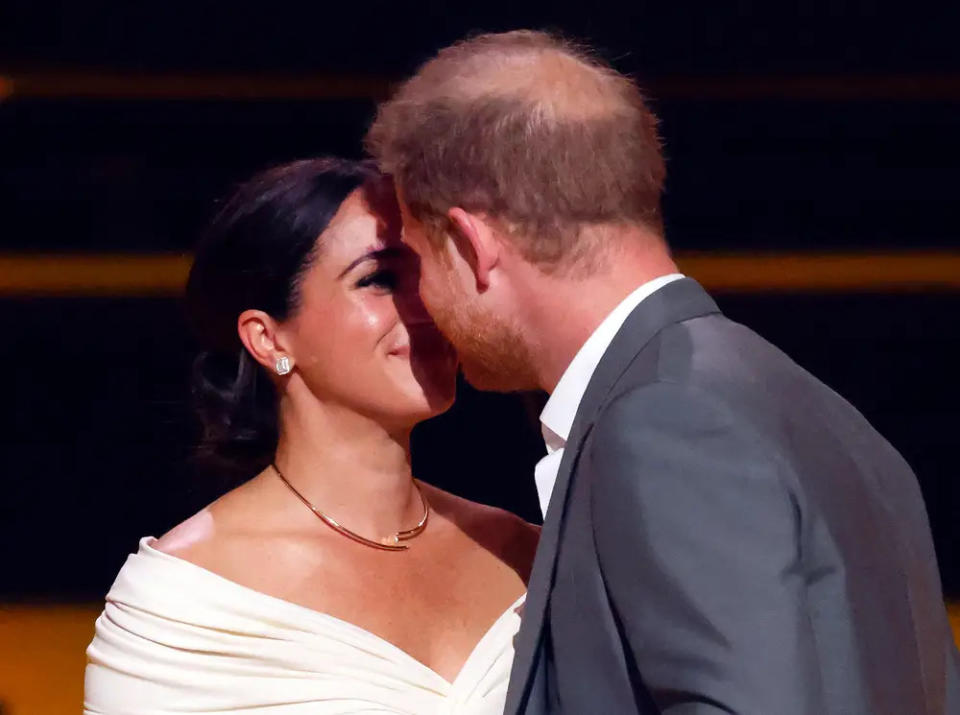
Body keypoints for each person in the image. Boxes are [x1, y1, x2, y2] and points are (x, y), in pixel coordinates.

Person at [366, 30, 960, 714]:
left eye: (414, 262)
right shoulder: (828, 416)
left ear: (473, 246)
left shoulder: (667, 422)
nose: (420, 302)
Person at [84, 158, 538, 714]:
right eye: (380, 280)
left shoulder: (523, 552)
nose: (427, 308)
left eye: (427, 274)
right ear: (268, 338)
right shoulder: (181, 604)